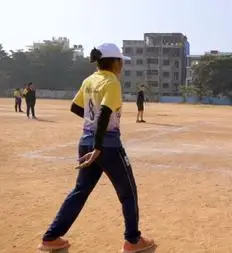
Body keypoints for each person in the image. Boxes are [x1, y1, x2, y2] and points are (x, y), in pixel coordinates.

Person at [38, 43, 154, 253]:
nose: (122, 66)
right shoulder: (111, 82)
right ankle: (133, 240)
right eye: (121, 62)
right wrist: (99, 146)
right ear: (115, 62)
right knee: (128, 193)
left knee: (80, 190)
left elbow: (75, 107)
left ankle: (50, 237)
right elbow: (104, 115)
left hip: (85, 142)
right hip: (107, 146)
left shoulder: (89, 80)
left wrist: (91, 131)